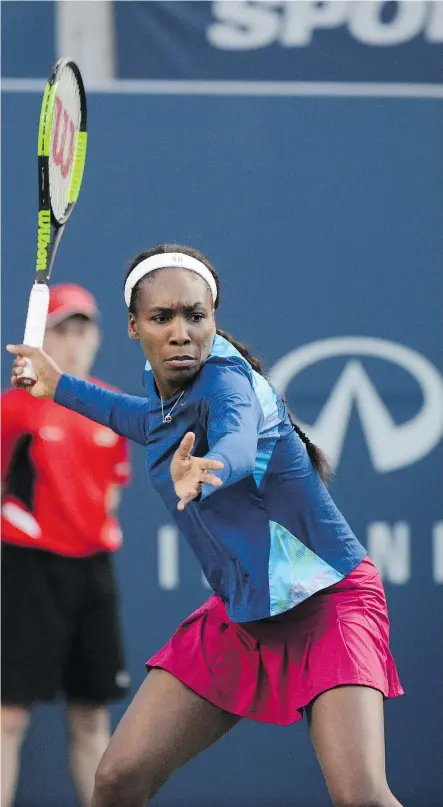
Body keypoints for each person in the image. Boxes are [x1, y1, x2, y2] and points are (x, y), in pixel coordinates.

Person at [7, 245, 404, 807]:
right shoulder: (162, 386)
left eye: (195, 315)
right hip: (242, 616)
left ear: (213, 319)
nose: (180, 332)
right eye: (161, 317)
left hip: (328, 603)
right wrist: (59, 385)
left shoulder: (226, 381)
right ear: (133, 326)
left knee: (361, 796)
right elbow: (143, 421)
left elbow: (238, 439)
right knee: (117, 779)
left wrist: (209, 468)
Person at [2, 284, 131, 807]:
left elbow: (113, 495)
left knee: (92, 713)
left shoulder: (109, 411)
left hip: (92, 573)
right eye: (63, 329)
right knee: (8, 714)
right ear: (43, 337)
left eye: (84, 330)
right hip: (29, 570)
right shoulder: (14, 410)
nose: (75, 341)